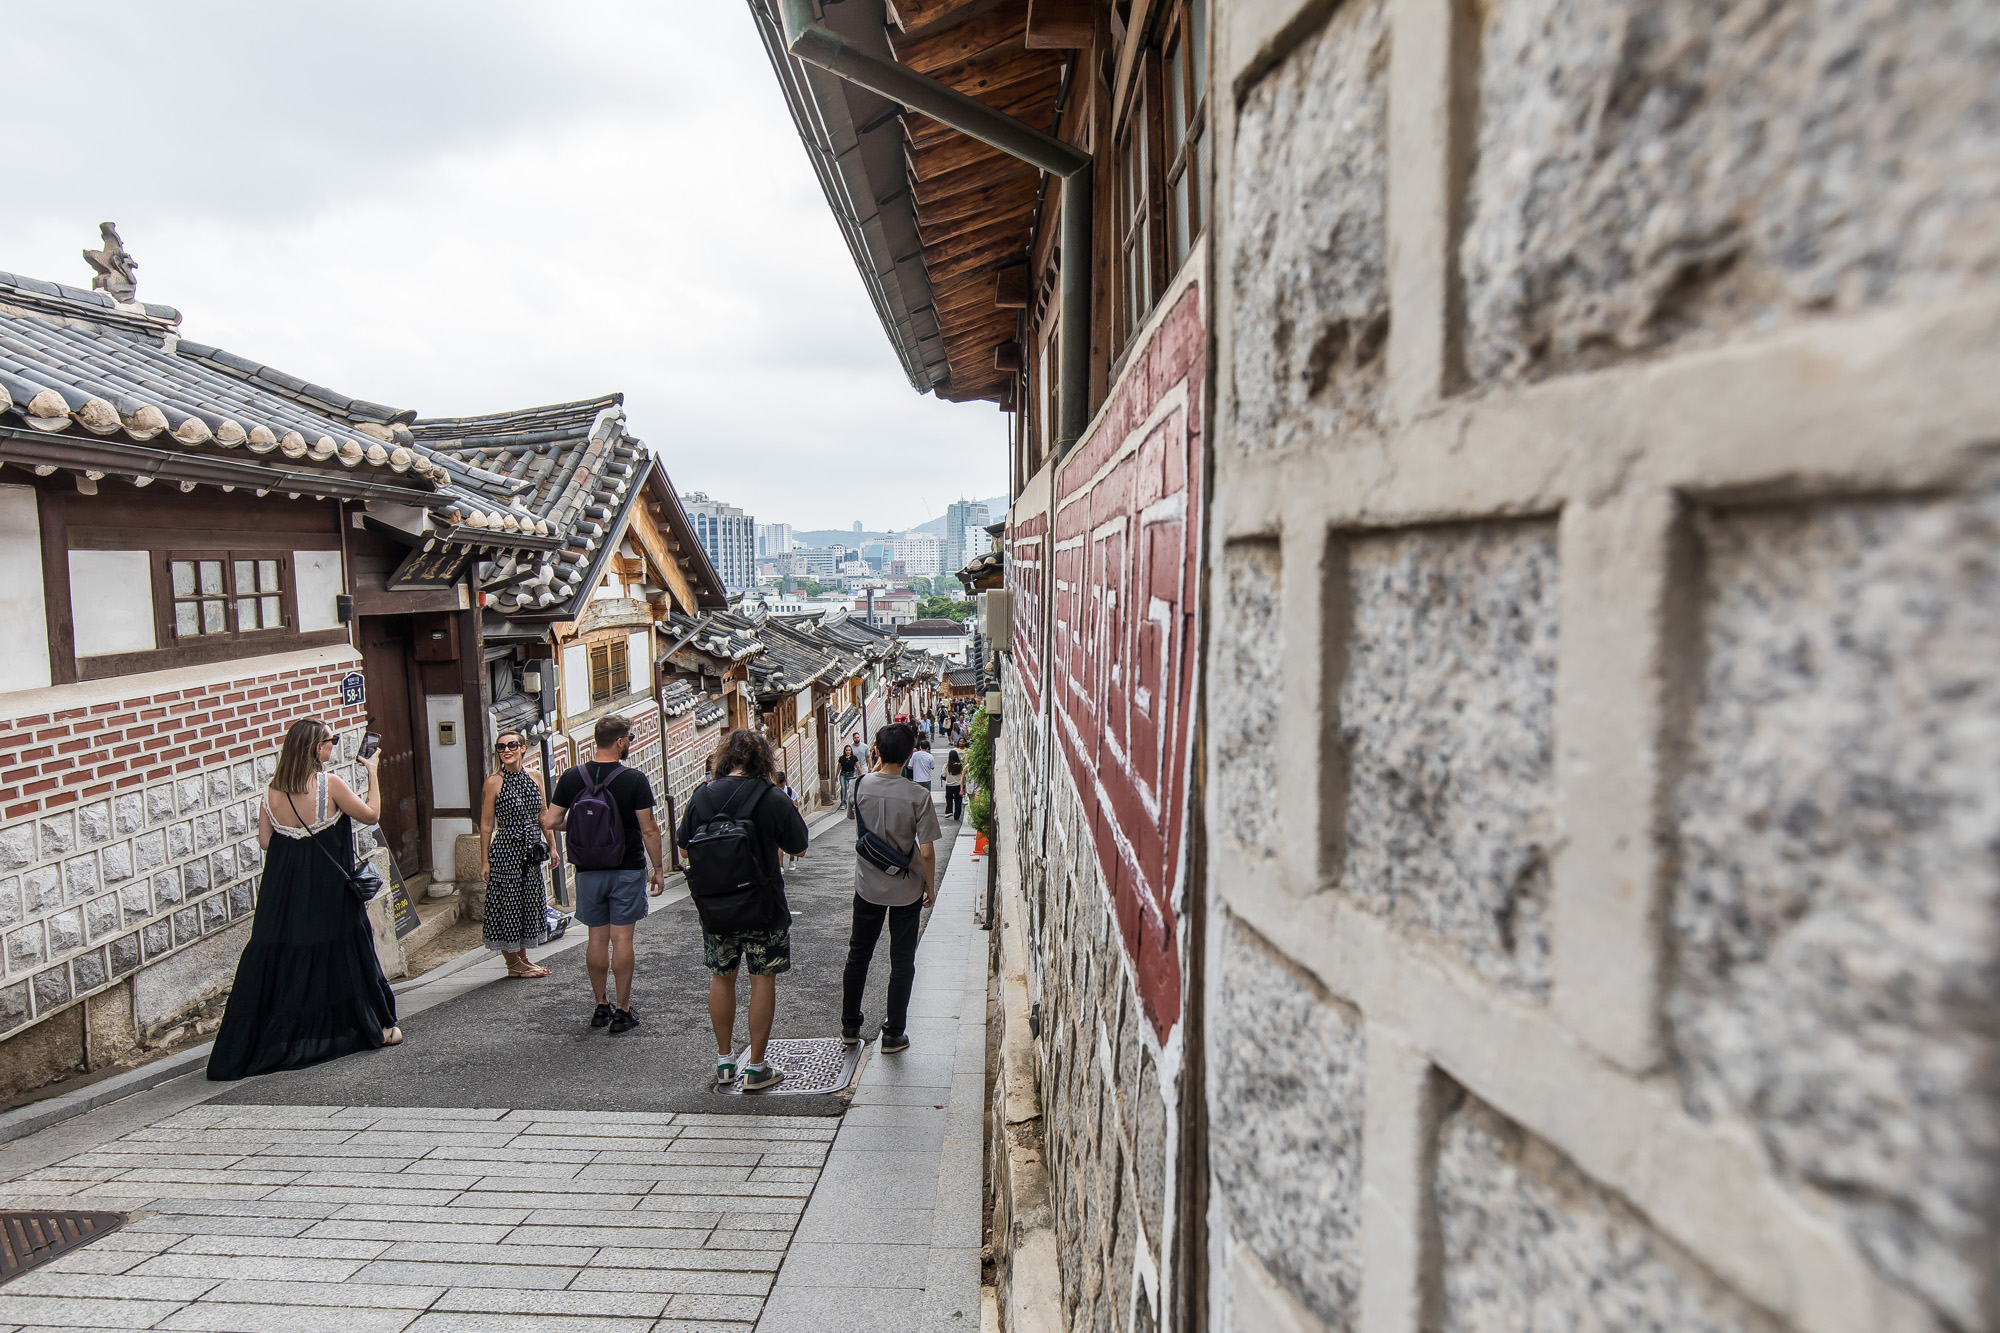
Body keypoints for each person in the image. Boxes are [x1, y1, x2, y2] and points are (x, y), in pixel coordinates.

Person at [208, 719, 398, 1080]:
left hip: (285, 895)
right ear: (315, 748)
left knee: (284, 959)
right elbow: (371, 816)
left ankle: (271, 1041)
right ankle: (371, 1027)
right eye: (331, 741)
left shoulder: (271, 792)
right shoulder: (330, 785)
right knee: (343, 951)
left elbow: (266, 842)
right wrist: (372, 772)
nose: (333, 746)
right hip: (328, 891)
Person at [676, 729, 809, 1091]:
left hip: (716, 909)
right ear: (763, 761)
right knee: (762, 979)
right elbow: (798, 846)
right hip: (763, 908)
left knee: (722, 977)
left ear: (725, 759)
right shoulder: (772, 796)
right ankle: (755, 1068)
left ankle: (723, 1062)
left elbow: (685, 849)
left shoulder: (702, 796)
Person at [543, 714, 666, 1034]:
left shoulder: (572, 777)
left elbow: (552, 821)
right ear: (620, 742)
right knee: (622, 938)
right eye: (630, 739)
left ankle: (600, 1005)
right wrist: (659, 869)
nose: (630, 745)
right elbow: (649, 830)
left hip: (587, 870)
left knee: (596, 937)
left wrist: (583, 822)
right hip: (626, 867)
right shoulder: (634, 779)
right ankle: (623, 1011)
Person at [842, 723, 941, 1053]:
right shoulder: (919, 796)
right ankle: (893, 1033)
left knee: (859, 955)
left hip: (867, 885)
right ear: (911, 755)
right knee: (901, 960)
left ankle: (850, 1027)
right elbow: (925, 851)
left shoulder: (860, 785)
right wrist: (930, 886)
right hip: (906, 888)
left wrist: (876, 763)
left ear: (877, 751)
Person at [479, 730, 551, 979]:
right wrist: (485, 861)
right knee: (507, 904)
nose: (506, 751)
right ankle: (513, 965)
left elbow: (543, 814)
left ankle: (523, 958)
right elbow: (487, 824)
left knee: (527, 901)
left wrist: (552, 847)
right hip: (506, 850)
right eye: (501, 747)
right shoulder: (493, 782)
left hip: (531, 849)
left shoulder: (535, 776)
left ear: (523, 748)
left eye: (511, 745)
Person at [943, 745, 965, 820]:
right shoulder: (960, 765)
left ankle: (949, 811)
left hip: (949, 785)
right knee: (958, 801)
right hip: (958, 785)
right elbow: (963, 775)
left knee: (948, 798)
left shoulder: (946, 765)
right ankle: (957, 815)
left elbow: (943, 775)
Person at [838, 744, 859, 816]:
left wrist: (862, 775)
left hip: (851, 775)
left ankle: (850, 802)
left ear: (851, 751)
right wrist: (836, 776)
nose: (848, 751)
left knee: (850, 789)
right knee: (844, 788)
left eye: (849, 750)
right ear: (844, 751)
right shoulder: (841, 758)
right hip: (843, 775)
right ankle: (843, 803)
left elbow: (858, 766)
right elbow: (838, 768)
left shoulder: (854, 758)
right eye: (846, 750)